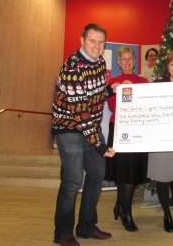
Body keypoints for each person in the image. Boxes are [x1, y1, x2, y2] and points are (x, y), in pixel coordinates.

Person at [52, 23, 115, 246]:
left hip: (89, 124)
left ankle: (87, 226)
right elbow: (80, 111)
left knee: (97, 173)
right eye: (92, 41)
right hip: (69, 126)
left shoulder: (100, 62)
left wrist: (111, 89)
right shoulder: (72, 67)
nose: (97, 46)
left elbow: (94, 96)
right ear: (82, 41)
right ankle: (63, 233)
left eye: (101, 42)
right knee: (72, 181)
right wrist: (100, 145)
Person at [105, 45, 149, 232]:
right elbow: (113, 107)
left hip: (137, 129)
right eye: (123, 59)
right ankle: (124, 209)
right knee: (121, 170)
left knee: (131, 171)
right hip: (118, 129)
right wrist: (119, 91)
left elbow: (147, 104)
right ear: (118, 62)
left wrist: (134, 92)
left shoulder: (143, 81)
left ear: (135, 60)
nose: (127, 62)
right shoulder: (113, 83)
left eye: (130, 58)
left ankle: (123, 208)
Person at [147, 49, 173, 233]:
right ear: (167, 67)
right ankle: (166, 214)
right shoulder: (157, 85)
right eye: (172, 64)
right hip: (159, 137)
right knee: (162, 177)